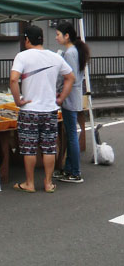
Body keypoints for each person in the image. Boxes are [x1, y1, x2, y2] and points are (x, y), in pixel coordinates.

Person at [10, 25, 74, 194]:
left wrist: (18, 100)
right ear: (42, 39)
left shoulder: (22, 56)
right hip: (50, 109)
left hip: (29, 110)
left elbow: (13, 80)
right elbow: (70, 78)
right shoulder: (55, 57)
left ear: (27, 40)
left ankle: (30, 183)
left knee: (29, 148)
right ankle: (48, 183)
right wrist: (61, 98)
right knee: (49, 147)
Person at [54, 21, 91, 184]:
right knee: (70, 135)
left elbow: (69, 77)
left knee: (71, 136)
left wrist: (60, 94)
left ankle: (75, 172)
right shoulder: (76, 50)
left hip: (69, 97)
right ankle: (69, 170)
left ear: (66, 35)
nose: (56, 37)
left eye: (58, 34)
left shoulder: (70, 53)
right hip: (74, 96)